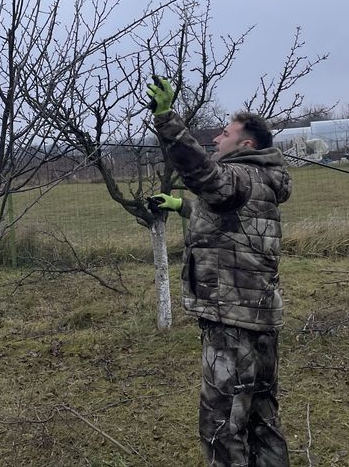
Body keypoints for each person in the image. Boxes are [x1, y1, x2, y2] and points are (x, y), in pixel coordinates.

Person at [146, 76, 292, 467]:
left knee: (221, 425)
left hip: (232, 321)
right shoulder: (260, 181)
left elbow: (206, 175)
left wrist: (167, 120)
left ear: (246, 144)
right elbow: (234, 221)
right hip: (259, 316)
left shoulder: (239, 177)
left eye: (225, 133)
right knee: (263, 420)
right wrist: (181, 206)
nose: (216, 139)